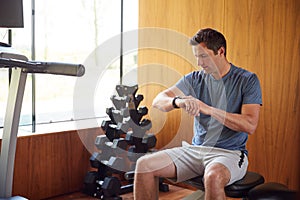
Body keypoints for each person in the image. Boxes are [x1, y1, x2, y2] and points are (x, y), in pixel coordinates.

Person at [133, 28, 262, 200]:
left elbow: (249, 125)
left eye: (203, 56)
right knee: (144, 165)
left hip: (229, 153)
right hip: (195, 150)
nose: (199, 63)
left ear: (220, 51)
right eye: (196, 57)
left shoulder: (247, 80)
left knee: (213, 177)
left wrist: (207, 109)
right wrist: (178, 101)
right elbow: (159, 100)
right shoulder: (194, 78)